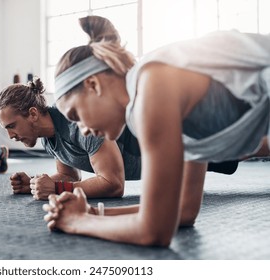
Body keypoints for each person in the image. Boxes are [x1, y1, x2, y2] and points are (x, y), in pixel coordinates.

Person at [43, 15, 270, 246]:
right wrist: (93, 214)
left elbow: (154, 231)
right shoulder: (163, 101)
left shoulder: (151, 85)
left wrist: (77, 222)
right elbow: (183, 210)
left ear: (93, 85)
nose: (83, 130)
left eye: (75, 116)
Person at [0, 77, 141, 200]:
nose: (11, 136)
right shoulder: (47, 138)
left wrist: (57, 189)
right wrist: (33, 183)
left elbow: (113, 184)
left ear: (33, 114)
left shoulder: (79, 122)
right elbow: (69, 175)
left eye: (11, 126)